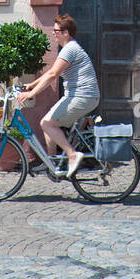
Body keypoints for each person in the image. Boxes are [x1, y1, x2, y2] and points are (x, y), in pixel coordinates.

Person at [16, 15, 100, 178]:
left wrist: (31, 94)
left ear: (66, 32)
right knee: (46, 122)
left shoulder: (70, 49)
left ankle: (72, 155)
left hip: (83, 95)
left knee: (48, 124)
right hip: (77, 95)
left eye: (56, 31)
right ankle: (53, 163)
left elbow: (53, 75)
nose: (53, 33)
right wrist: (31, 85)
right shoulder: (68, 49)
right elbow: (51, 72)